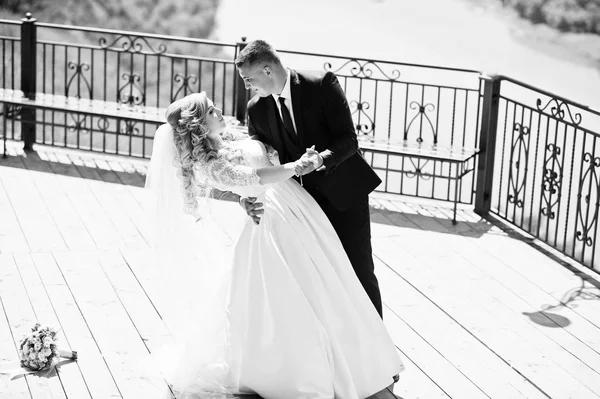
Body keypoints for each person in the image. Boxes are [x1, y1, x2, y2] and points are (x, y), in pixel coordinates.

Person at [145, 92, 404, 398]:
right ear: (199, 126)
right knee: (295, 296)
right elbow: (256, 175)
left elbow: (252, 178)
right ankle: (305, 369)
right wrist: (297, 166)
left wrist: (247, 197)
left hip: (296, 210)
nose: (220, 112)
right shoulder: (212, 164)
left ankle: (354, 359)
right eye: (212, 111)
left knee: (329, 283)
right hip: (274, 223)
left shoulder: (226, 141)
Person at [235, 40, 385, 319]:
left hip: (343, 196)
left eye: (248, 79)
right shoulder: (256, 110)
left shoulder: (321, 84)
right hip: (299, 207)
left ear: (267, 70)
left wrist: (321, 159)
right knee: (310, 276)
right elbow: (257, 163)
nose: (246, 86)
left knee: (358, 270)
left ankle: (377, 349)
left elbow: (349, 140)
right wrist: (246, 196)